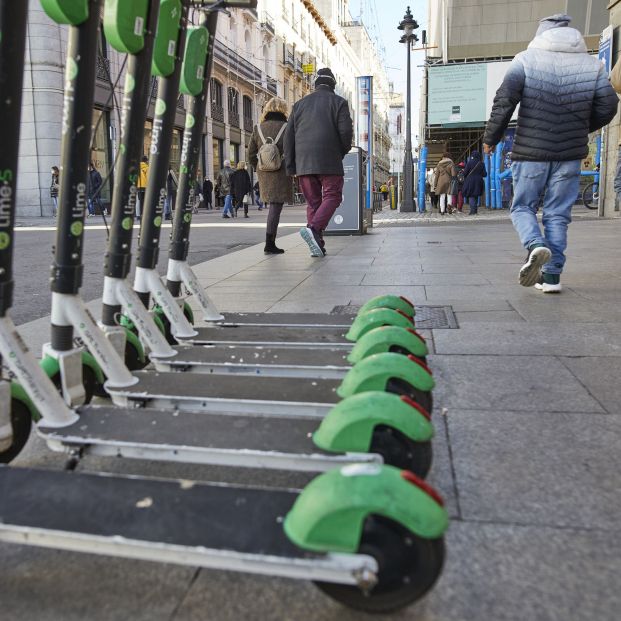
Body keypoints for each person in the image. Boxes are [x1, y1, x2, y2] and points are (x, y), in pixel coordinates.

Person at [484, 13, 617, 293]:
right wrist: (579, 128)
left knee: (523, 207)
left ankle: (535, 244)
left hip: (530, 152)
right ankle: (552, 277)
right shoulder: (592, 65)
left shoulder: (525, 60)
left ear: (540, 34)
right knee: (557, 214)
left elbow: (504, 101)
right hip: (569, 153)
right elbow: (608, 106)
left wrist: (491, 138)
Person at [284, 67, 353, 257]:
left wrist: (291, 165)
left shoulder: (299, 105)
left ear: (315, 85)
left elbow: (288, 137)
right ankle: (314, 230)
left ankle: (317, 245)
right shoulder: (339, 102)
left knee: (313, 203)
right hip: (329, 159)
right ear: (333, 85)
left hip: (304, 162)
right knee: (333, 196)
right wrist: (341, 151)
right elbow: (346, 133)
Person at [248, 97, 292, 253]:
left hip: (264, 174)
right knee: (275, 207)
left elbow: (251, 155)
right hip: (281, 172)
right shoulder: (287, 127)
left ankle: (270, 242)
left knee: (274, 206)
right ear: (283, 109)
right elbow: (292, 151)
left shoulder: (257, 128)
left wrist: (260, 168)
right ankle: (269, 243)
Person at [462, 151, 487, 215]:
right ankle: (475, 210)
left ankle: (472, 211)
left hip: (470, 181)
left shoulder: (469, 163)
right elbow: (485, 174)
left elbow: (465, 173)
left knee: (471, 195)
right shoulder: (481, 163)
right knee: (475, 195)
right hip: (479, 181)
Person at [136, 155, 148, 221]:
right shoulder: (147, 168)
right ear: (146, 161)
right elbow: (148, 177)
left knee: (138, 201)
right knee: (145, 201)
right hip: (145, 186)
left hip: (138, 186)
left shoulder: (136, 167)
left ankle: (138, 215)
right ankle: (144, 214)